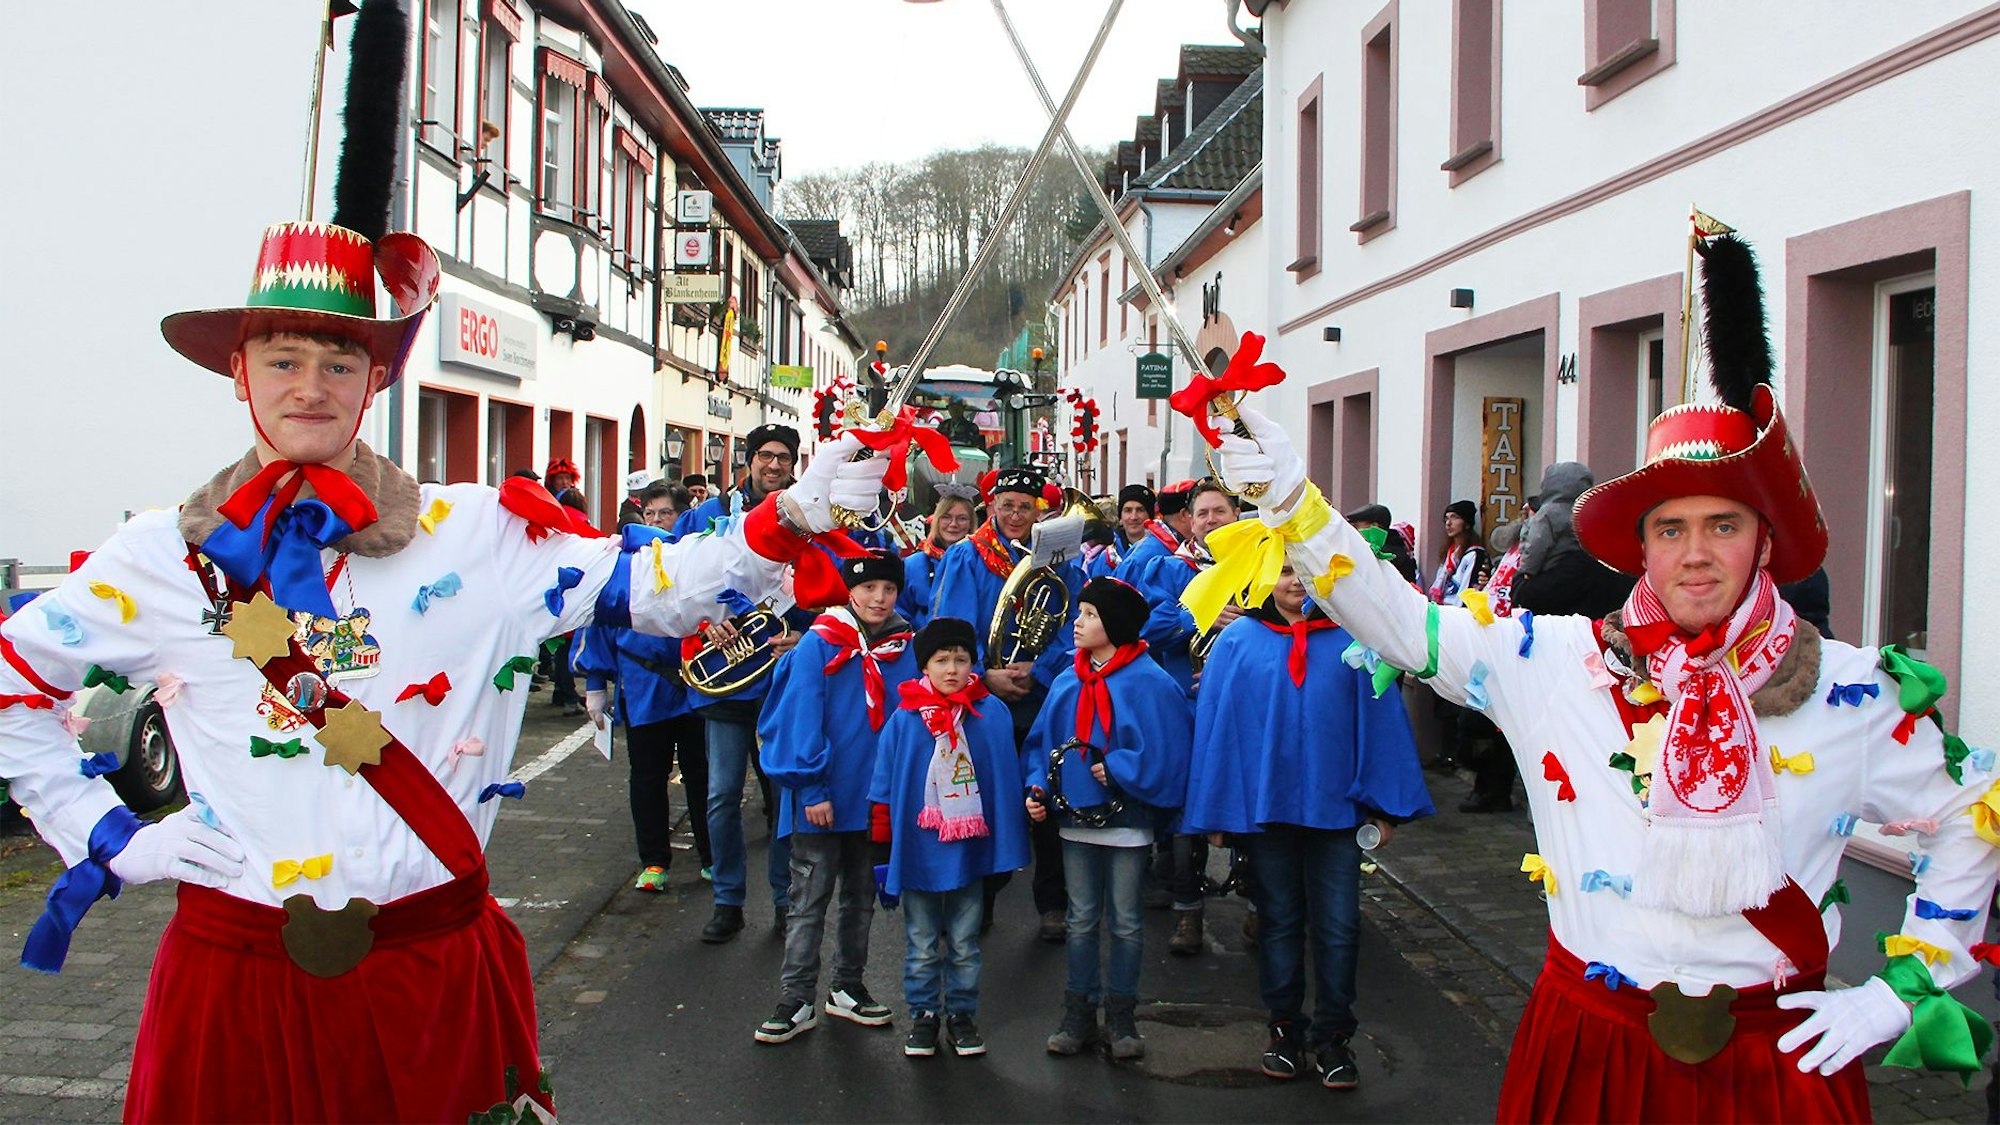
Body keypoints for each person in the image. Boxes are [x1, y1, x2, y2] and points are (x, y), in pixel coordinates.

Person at [0, 203, 888, 1121]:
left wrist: (790, 516)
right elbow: (11, 685)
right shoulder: (161, 557)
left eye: (340, 362)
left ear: (376, 376)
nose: (311, 386)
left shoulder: (476, 535)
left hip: (430, 978)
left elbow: (660, 583)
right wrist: (112, 836)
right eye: (283, 360)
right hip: (233, 980)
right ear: (239, 374)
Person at [1210, 235, 1999, 1120]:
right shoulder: (1554, 662)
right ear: (1640, 547)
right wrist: (1291, 504)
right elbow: (1401, 621)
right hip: (1589, 1047)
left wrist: (1903, 987)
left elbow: (1978, 806)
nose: (1696, 554)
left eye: (1724, 524)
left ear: (1764, 539)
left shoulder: (1851, 692)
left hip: (1775, 1065)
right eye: (1671, 529)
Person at [1183, 562, 1433, 1089]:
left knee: (1340, 927)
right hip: (1269, 812)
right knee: (1278, 922)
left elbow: (1381, 718)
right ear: (1264, 578)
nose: (1296, 582)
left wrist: (1384, 809)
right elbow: (1218, 727)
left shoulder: (1354, 640)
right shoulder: (1239, 641)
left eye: (1306, 572)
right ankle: (1283, 1030)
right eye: (1284, 571)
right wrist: (1218, 810)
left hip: (1338, 810)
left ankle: (1334, 1038)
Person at [1025, 578, 1192, 1061]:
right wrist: (1037, 787)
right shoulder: (1064, 681)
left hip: (1127, 821)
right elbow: (1041, 744)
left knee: (1124, 922)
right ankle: (1078, 1012)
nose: (1077, 623)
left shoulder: (1151, 682)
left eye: (1090, 615)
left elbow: (1170, 750)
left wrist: (1119, 766)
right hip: (1075, 820)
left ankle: (1122, 1016)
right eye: (1080, 613)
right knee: (1080, 920)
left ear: (1114, 624)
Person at [754, 549, 916, 1044]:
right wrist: (812, 788)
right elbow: (802, 716)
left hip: (873, 798)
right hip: (822, 798)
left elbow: (906, 721)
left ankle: (847, 986)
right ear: (851, 591)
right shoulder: (821, 644)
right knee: (809, 899)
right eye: (869, 589)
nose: (879, 598)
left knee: (860, 899)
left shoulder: (902, 645)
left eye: (888, 590)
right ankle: (796, 996)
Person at [674, 423, 814, 943]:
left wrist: (802, 636)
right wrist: (704, 619)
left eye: (784, 458)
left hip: (782, 682)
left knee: (783, 798)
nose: (774, 466)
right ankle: (728, 900)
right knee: (720, 795)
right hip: (725, 680)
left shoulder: (808, 521)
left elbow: (829, 593)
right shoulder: (707, 516)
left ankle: (783, 899)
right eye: (765, 457)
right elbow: (677, 583)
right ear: (748, 460)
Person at [868, 617, 1032, 1059]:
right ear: (925, 666)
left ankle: (961, 1014)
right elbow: (885, 784)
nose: (952, 669)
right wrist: (883, 849)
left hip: (970, 850)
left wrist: (1003, 851)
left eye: (961, 659)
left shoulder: (989, 713)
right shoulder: (905, 718)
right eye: (942, 660)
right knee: (921, 942)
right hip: (921, 850)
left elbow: (1002, 781)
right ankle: (924, 1016)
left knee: (964, 942)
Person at [932, 466, 1082, 941]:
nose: (1016, 514)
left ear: (1040, 512)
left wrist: (1040, 668)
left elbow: (1073, 624)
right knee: (986, 798)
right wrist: (984, 674)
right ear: (991, 506)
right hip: (983, 695)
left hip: (1041, 693)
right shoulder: (966, 557)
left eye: (1026, 506)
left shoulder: (1059, 562)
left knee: (1047, 796)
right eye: (1008, 504)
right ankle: (984, 897)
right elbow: (952, 628)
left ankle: (1052, 904)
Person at [1129, 480, 1238, 954]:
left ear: (1237, 515)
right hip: (1184, 706)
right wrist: (1201, 614)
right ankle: (1187, 912)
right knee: (1184, 813)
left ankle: (1259, 906)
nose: (1211, 519)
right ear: (1188, 521)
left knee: (1250, 803)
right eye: (1203, 514)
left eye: (1220, 511)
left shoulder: (1263, 564)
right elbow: (1143, 626)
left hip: (1242, 706)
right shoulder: (1169, 568)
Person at [898, 485, 978, 630]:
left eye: (962, 518)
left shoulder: (981, 563)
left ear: (971, 523)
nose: (953, 524)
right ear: (936, 520)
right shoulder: (912, 565)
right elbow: (900, 610)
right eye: (946, 517)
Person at [1117, 479, 1194, 579]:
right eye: (1201, 513)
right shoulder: (1144, 558)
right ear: (1184, 514)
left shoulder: (1177, 548)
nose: (1133, 517)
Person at [1427, 500, 1487, 607]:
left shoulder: (1474, 553)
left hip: (1459, 613)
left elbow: (1469, 589)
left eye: (1454, 517)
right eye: (1446, 519)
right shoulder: (1449, 553)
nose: (1448, 523)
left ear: (1467, 523)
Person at [1113, 484, 1157, 555]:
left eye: (1140, 510)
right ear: (1120, 518)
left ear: (1150, 516)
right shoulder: (1108, 556)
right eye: (1128, 510)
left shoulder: (1161, 552)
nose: (1134, 517)